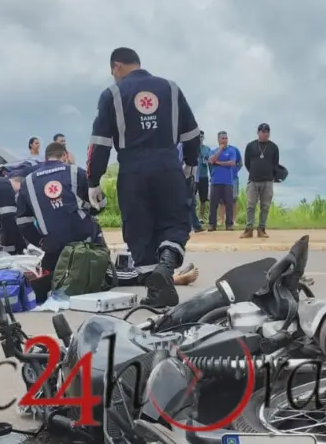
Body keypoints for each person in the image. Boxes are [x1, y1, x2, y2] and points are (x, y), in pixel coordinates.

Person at [86, 47, 201, 307]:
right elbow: (192, 134)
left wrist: (93, 180)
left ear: (116, 66)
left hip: (132, 172)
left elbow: (99, 143)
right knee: (175, 221)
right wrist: (190, 164)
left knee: (139, 229)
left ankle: (155, 288)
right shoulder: (171, 88)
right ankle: (166, 265)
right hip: (168, 167)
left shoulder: (112, 94)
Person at [15, 142, 104, 301]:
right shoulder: (76, 172)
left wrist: (40, 242)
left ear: (45, 158)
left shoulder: (27, 182)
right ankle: (102, 274)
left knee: (43, 286)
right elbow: (101, 204)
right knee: (94, 225)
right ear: (65, 156)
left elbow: (23, 222)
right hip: (83, 243)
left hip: (53, 247)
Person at [242, 123, 279, 238]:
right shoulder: (250, 146)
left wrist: (271, 175)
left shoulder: (273, 147)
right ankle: (248, 229)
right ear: (258, 133)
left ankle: (261, 229)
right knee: (250, 205)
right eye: (263, 132)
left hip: (268, 180)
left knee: (265, 206)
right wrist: (254, 171)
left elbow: (275, 163)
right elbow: (247, 163)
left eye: (267, 132)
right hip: (253, 180)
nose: (265, 134)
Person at [208, 131, 242, 231]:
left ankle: (229, 224)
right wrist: (220, 150)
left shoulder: (232, 150)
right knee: (213, 204)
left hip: (228, 181)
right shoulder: (214, 151)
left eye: (226, 138)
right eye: (222, 138)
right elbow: (211, 161)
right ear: (218, 139)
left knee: (229, 204)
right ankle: (212, 224)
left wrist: (218, 163)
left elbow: (232, 163)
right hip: (215, 181)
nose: (225, 140)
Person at [195, 139, 212, 221]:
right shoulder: (192, 147)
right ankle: (192, 217)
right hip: (194, 176)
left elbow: (210, 162)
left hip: (204, 176)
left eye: (201, 136)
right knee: (191, 198)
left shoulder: (207, 149)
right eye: (199, 136)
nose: (200, 138)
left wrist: (212, 175)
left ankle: (201, 218)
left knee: (203, 199)